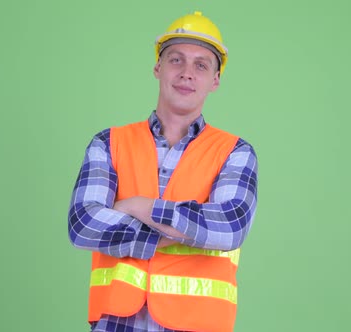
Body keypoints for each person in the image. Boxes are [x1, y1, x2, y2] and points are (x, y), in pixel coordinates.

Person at [68, 11, 258, 332]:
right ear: (157, 68)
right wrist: (187, 231)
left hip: (196, 323)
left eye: (201, 65)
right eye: (176, 60)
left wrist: (136, 206)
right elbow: (84, 224)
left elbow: (228, 228)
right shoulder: (108, 143)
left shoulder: (235, 152)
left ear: (215, 80)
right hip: (118, 322)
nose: (187, 73)